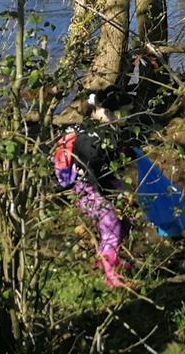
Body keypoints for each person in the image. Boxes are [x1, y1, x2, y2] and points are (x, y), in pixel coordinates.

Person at [53, 86, 134, 289]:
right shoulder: (92, 140)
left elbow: (108, 168)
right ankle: (110, 275)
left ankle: (109, 257)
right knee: (110, 220)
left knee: (129, 212)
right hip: (84, 187)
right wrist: (108, 196)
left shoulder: (106, 132)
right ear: (108, 113)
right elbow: (91, 174)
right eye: (125, 114)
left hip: (97, 182)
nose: (126, 118)